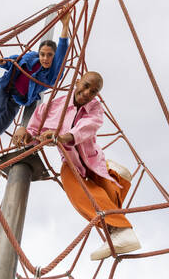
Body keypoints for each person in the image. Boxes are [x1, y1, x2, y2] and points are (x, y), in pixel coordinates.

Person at [13, 71, 141, 260]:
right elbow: (33, 131)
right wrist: (24, 131)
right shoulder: (52, 106)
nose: (88, 92)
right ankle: (121, 230)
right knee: (76, 190)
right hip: (70, 160)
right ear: (78, 81)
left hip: (92, 158)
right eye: (86, 85)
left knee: (109, 194)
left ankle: (119, 224)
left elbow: (86, 128)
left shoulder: (95, 108)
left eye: (94, 91)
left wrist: (61, 137)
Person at [0, 6, 71, 157]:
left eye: (49, 55)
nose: (45, 58)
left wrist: (65, 25)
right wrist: (2, 62)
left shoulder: (51, 74)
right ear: (38, 53)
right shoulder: (30, 57)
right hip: (4, 87)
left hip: (17, 100)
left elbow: (62, 50)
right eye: (42, 54)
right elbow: (13, 61)